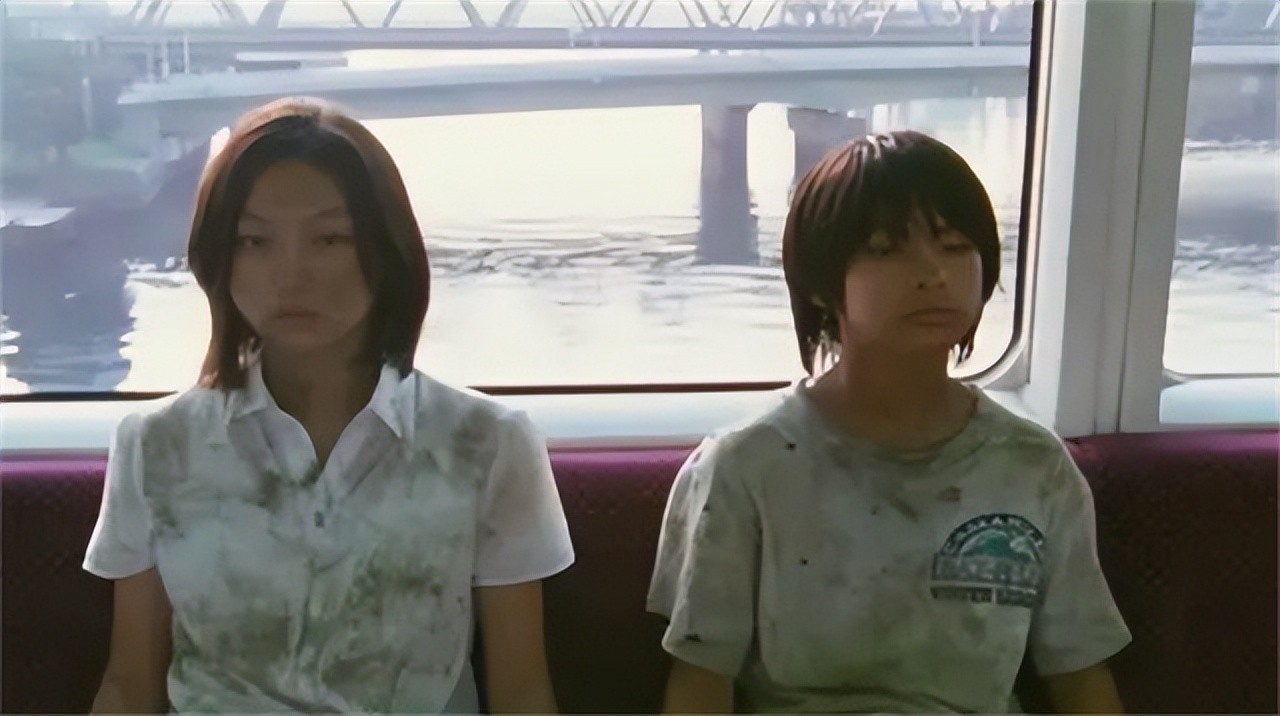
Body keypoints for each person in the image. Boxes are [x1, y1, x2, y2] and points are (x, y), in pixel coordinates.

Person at [84, 96, 574, 713]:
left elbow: (522, 693)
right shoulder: (156, 445)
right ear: (219, 258)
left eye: (330, 238)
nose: (292, 274)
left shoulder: (486, 443)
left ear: (387, 250)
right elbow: (130, 684)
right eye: (255, 240)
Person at [647, 130, 1130, 713]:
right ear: (822, 284)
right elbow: (701, 682)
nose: (931, 274)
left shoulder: (1033, 465)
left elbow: (1079, 676)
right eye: (886, 250)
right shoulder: (746, 465)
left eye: (954, 246)